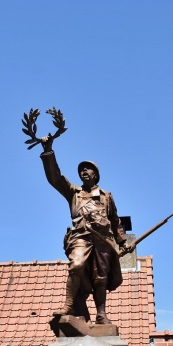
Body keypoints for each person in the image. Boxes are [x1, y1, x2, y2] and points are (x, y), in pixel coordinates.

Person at [40, 136, 128, 324]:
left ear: (96, 174)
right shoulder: (74, 192)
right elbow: (55, 178)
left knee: (101, 277)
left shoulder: (106, 196)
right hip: (81, 236)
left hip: (103, 240)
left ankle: (101, 314)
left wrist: (122, 241)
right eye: (81, 170)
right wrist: (48, 152)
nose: (83, 172)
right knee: (76, 264)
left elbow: (115, 220)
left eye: (87, 169)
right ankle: (69, 305)